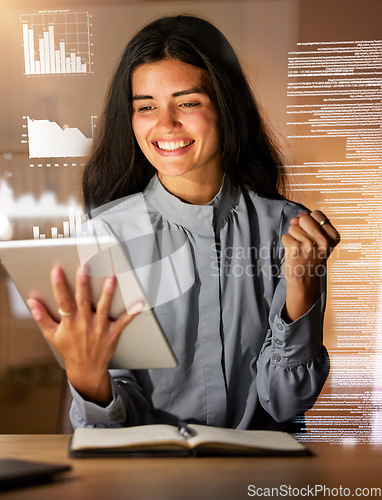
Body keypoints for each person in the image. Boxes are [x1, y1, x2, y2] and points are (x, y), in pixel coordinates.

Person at [27, 15, 340, 431]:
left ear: (226, 107)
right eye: (146, 107)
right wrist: (87, 378)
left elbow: (285, 403)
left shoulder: (286, 229)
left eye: (188, 102)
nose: (165, 124)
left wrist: (302, 287)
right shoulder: (104, 237)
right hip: (145, 486)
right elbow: (111, 426)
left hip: (255, 487)